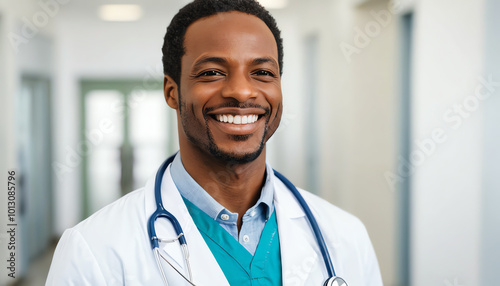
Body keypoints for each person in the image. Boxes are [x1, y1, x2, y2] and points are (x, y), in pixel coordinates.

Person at [46, 0, 383, 285]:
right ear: (172, 92)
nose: (241, 91)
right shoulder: (94, 251)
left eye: (263, 72)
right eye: (212, 73)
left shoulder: (344, 237)